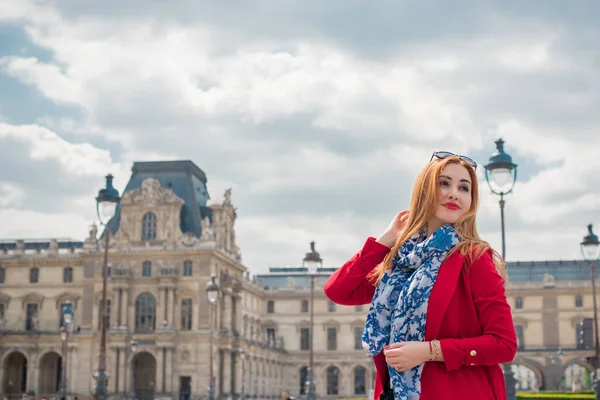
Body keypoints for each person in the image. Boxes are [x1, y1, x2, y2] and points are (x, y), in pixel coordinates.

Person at [324, 151, 517, 400]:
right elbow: (338, 290)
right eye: (444, 183)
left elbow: (504, 344)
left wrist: (429, 351)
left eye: (464, 187)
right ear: (424, 191)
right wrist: (385, 241)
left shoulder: (473, 257)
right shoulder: (400, 265)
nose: (453, 193)